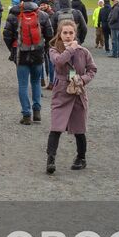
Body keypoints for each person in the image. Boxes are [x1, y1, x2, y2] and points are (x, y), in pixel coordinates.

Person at [46, 19, 97, 174]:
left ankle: (81, 158)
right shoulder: (54, 50)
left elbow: (92, 69)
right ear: (59, 34)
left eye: (71, 33)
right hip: (61, 90)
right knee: (56, 126)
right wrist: (71, 49)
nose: (68, 36)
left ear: (75, 33)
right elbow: (60, 62)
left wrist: (83, 79)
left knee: (79, 127)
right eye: (65, 33)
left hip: (78, 91)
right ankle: (50, 159)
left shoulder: (84, 52)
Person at [3, 0, 54, 125]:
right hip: (37, 53)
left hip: (21, 54)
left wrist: (12, 50)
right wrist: (44, 48)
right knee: (36, 82)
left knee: (23, 84)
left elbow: (7, 35)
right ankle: (37, 111)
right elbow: (50, 34)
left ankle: (26, 114)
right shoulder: (42, 15)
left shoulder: (14, 14)